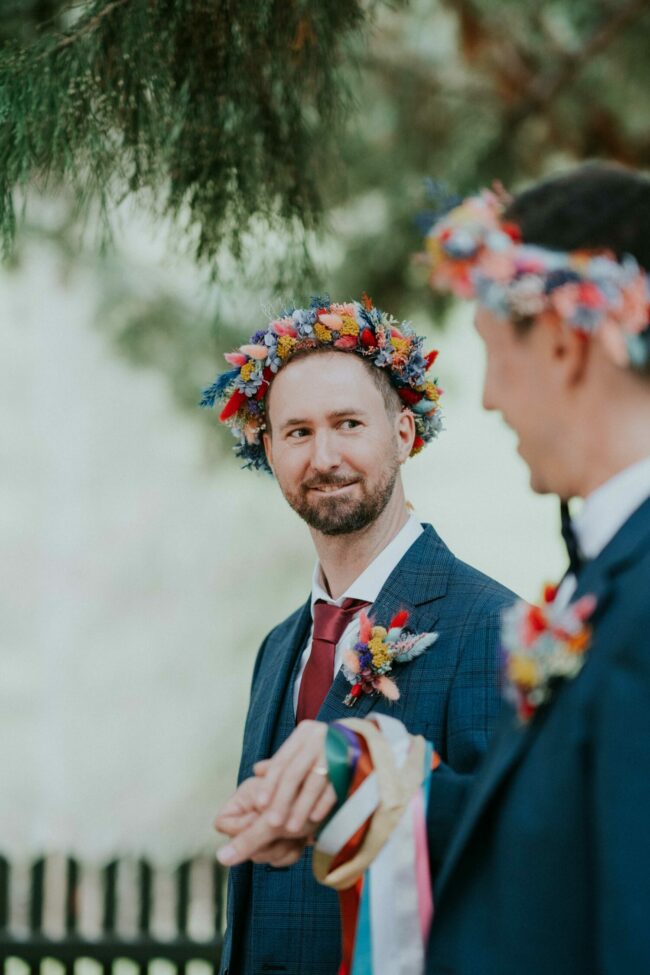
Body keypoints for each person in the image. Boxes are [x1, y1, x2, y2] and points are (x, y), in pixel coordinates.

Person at [215, 162, 650, 974]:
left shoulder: (518, 620)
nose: (488, 399)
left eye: (497, 354)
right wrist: (365, 776)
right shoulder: (278, 648)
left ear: (564, 342)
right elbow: (541, 832)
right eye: (297, 431)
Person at [203, 296, 515, 975]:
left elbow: (508, 856)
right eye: (297, 432)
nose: (325, 456)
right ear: (269, 449)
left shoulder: (490, 626)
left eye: (348, 424)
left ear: (402, 433)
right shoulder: (277, 647)